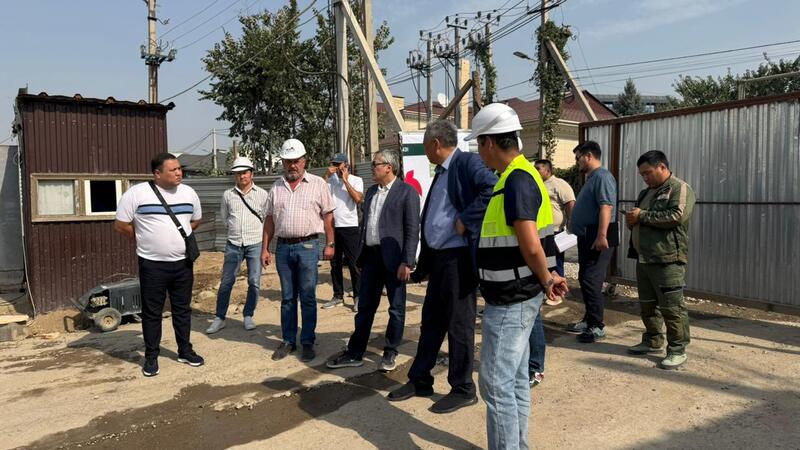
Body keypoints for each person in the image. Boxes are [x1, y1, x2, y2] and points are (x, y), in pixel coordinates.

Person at [466, 103, 568, 450]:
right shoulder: (518, 176)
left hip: (512, 299)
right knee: (514, 381)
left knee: (495, 384)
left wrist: (547, 278)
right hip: (516, 294)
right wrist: (546, 277)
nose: (479, 153)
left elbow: (530, 243)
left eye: (479, 144)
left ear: (489, 142)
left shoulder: (517, 181)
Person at [387, 119, 497, 413]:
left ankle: (463, 388)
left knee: (459, 324)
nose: (425, 151)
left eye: (425, 145)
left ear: (435, 143)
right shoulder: (443, 172)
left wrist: (466, 219)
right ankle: (420, 379)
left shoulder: (466, 163)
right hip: (440, 260)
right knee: (432, 322)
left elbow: (492, 188)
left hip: (458, 259)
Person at [326, 150, 420, 372]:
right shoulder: (371, 192)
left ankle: (390, 352)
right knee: (365, 307)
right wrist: (361, 256)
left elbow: (412, 230)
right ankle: (355, 351)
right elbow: (365, 226)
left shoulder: (406, 192)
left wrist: (407, 261)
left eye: (375, 164)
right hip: (371, 258)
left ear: (388, 167)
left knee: (396, 309)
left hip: (395, 260)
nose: (372, 168)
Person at [114, 152, 204, 377]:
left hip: (183, 264)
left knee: (182, 310)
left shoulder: (189, 193)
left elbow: (195, 220)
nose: (179, 173)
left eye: (179, 169)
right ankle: (151, 356)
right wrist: (144, 238)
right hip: (152, 265)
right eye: (173, 170)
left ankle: (185, 351)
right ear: (157, 173)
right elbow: (121, 225)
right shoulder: (137, 194)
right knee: (152, 312)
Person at [261, 139, 335, 362]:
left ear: (304, 161)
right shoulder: (276, 187)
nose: (292, 165)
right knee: (287, 298)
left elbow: (328, 216)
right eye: (288, 161)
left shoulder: (318, 184)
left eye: (296, 161)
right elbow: (269, 220)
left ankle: (308, 341)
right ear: (283, 162)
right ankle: (288, 341)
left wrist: (330, 244)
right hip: (283, 248)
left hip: (308, 246)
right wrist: (265, 249)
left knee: (308, 296)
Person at [625, 150, 696, 370]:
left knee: (672, 307)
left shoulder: (679, 188)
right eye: (642, 174)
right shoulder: (646, 192)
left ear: (662, 167)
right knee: (647, 305)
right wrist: (631, 220)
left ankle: (677, 349)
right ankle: (652, 339)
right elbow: (640, 219)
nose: (645, 178)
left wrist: (642, 216)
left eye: (648, 172)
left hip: (667, 259)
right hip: (644, 258)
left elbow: (677, 216)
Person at [527, 159, 577, 387]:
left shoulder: (558, 185)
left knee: (554, 268)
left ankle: (535, 368)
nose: (536, 171)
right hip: (537, 245)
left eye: (539, 168)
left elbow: (569, 204)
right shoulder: (533, 187)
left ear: (548, 170)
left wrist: (571, 227)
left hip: (552, 236)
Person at [206, 156, 269, 334]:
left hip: (255, 243)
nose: (242, 176)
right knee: (227, 281)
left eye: (245, 172)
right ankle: (220, 318)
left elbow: (267, 219)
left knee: (254, 281)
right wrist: (235, 232)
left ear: (251, 173)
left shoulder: (262, 195)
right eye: (238, 173)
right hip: (233, 243)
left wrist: (265, 247)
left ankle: (248, 315)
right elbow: (225, 218)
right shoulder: (228, 195)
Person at [566, 140, 619, 343]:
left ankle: (597, 325)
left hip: (598, 237)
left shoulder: (603, 177)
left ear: (588, 156)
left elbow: (606, 207)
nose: (577, 162)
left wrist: (601, 236)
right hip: (588, 236)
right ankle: (589, 319)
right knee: (584, 278)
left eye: (578, 157)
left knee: (591, 280)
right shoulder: (592, 178)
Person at [321, 153, 364, 310]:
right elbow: (318, 191)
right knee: (335, 263)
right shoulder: (331, 181)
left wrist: (345, 180)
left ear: (346, 165)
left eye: (338, 164)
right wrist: (327, 175)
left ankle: (358, 297)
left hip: (349, 226)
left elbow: (358, 199)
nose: (336, 167)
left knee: (354, 264)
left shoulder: (356, 180)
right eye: (334, 164)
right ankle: (337, 296)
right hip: (333, 227)